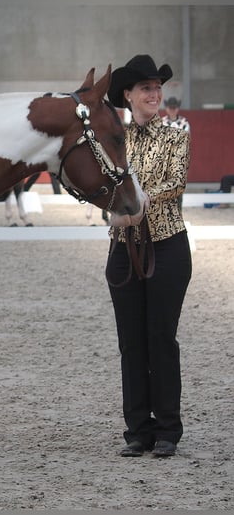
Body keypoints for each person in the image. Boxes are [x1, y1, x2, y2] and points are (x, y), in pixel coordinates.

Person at [105, 54, 192, 458]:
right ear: (129, 95)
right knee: (131, 342)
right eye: (146, 88)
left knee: (161, 338)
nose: (155, 93)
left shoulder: (176, 134)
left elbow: (177, 181)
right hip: (124, 249)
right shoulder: (115, 139)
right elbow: (105, 185)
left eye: (157, 87)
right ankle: (138, 430)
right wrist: (113, 208)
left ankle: (168, 430)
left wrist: (138, 203)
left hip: (167, 246)